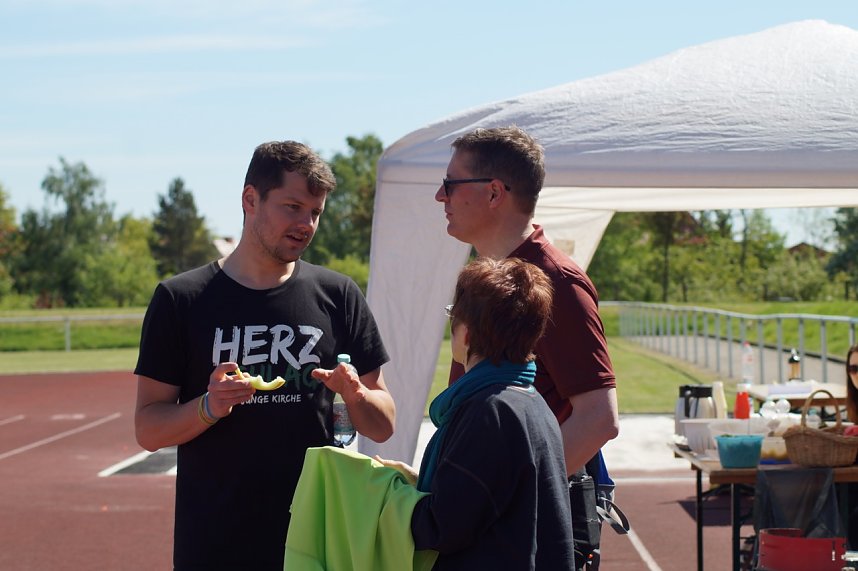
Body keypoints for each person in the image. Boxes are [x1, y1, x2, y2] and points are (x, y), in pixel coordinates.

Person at [134, 140, 396, 571]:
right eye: (292, 206)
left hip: (318, 541)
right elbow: (148, 428)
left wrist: (356, 396)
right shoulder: (181, 299)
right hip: (216, 546)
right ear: (250, 199)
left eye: (315, 212)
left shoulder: (338, 294)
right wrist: (208, 406)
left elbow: (383, 424)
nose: (306, 224)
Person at [435, 126, 620, 568]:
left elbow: (599, 418)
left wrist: (515, 497)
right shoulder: (493, 279)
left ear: (494, 192)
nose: (440, 197)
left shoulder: (556, 282)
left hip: (527, 537)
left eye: (449, 185)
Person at [379, 257, 576, 569]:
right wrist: (413, 479)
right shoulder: (529, 400)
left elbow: (444, 526)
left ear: (466, 334)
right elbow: (487, 493)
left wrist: (381, 492)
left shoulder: (489, 411)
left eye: (451, 315)